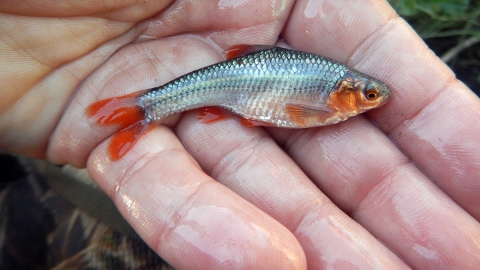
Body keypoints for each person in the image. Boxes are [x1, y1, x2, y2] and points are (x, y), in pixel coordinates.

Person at [1, 0, 479, 269]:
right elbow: (295, 111)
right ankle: (147, 106)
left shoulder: (324, 97)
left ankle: (147, 107)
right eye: (370, 95)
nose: (374, 100)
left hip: (245, 85)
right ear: (348, 92)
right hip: (239, 85)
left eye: (370, 96)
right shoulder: (324, 98)